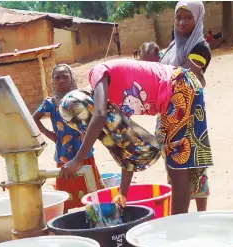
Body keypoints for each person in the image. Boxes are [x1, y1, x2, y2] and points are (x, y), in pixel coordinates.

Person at [58, 59, 213, 216]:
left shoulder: (98, 73)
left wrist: (77, 160)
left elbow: (99, 116)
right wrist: (122, 193)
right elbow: (128, 146)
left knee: (178, 163)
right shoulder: (110, 105)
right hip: (170, 98)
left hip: (179, 85)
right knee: (174, 163)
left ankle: (179, 224)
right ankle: (180, 221)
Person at [159, 0, 212, 211]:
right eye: (178, 17)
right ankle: (183, 218)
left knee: (195, 166)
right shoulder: (173, 47)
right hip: (167, 113)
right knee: (174, 166)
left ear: (198, 19)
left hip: (190, 114)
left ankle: (201, 216)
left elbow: (180, 75)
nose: (182, 22)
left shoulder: (201, 47)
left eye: (188, 17)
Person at [32, 64, 104, 211]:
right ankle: (65, 220)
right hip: (63, 154)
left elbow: (95, 116)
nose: (61, 80)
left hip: (83, 151)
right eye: (57, 77)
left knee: (92, 193)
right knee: (64, 195)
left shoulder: (81, 98)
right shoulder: (50, 103)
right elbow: (34, 118)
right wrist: (52, 136)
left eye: (65, 76)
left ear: (72, 78)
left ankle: (95, 218)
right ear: (53, 81)